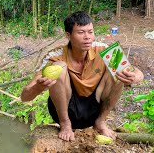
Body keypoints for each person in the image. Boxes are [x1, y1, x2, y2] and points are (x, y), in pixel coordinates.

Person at [21, 11, 144, 141]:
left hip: (94, 110)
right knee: (59, 67)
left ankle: (100, 123)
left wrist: (134, 76)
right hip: (66, 111)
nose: (87, 37)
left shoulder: (103, 49)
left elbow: (136, 72)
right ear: (68, 35)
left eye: (90, 32)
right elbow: (25, 96)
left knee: (118, 72)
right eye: (81, 32)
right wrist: (38, 88)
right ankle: (65, 125)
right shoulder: (54, 55)